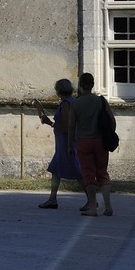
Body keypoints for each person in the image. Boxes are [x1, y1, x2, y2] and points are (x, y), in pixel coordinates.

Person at [69, 72, 114, 217]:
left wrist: (70, 145)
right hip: (100, 140)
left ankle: (93, 208)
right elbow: (112, 120)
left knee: (88, 174)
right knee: (103, 173)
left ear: (80, 86)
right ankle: (108, 207)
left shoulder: (76, 103)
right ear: (93, 84)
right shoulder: (100, 101)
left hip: (83, 141)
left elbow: (71, 126)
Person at [37, 78, 82, 209]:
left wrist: (49, 123)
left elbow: (69, 127)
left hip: (67, 143)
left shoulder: (66, 104)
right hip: (65, 144)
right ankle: (52, 199)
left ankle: (91, 199)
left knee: (78, 172)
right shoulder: (73, 102)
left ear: (59, 90)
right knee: (56, 170)